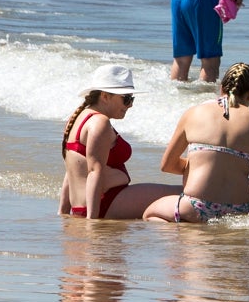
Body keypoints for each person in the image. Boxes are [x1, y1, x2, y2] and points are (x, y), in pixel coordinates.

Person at [144, 62, 249, 222]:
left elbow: (167, 165)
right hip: (239, 209)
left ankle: (184, 230)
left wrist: (200, 163)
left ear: (221, 87)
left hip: (197, 207)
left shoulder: (193, 113)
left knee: (149, 213)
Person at [59, 64, 180, 219]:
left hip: (87, 206)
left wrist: (63, 212)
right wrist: (92, 222)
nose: (130, 105)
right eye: (126, 99)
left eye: (132, 99)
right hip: (104, 204)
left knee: (176, 198)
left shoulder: (78, 118)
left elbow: (72, 170)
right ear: (105, 96)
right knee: (184, 194)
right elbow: (94, 172)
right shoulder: (99, 123)